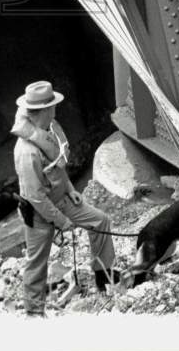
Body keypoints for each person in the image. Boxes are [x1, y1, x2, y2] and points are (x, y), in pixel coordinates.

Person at [12, 80, 119, 316]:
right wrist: (62, 221)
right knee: (36, 263)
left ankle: (104, 276)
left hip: (62, 199)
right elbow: (35, 197)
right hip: (39, 214)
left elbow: (57, 167)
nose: (55, 109)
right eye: (52, 106)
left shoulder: (49, 130)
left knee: (100, 221)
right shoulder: (27, 151)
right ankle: (34, 312)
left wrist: (71, 190)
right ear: (43, 111)